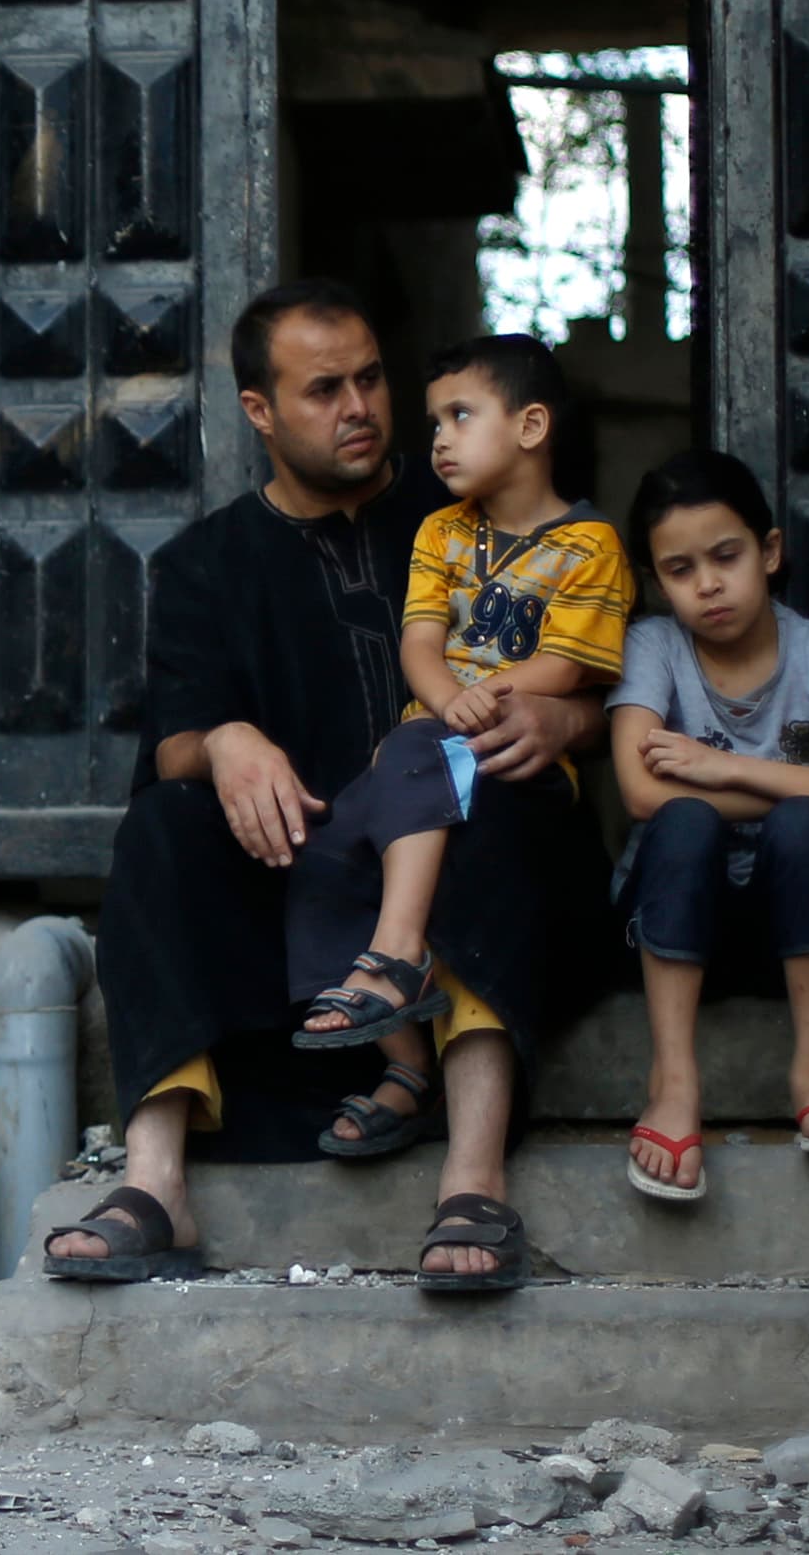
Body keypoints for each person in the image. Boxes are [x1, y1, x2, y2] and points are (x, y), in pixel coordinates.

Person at [42, 281, 612, 1293]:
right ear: (258, 410)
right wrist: (221, 742)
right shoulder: (204, 564)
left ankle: (471, 1176)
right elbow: (169, 746)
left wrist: (569, 717)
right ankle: (154, 1181)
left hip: (481, 878)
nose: (357, 407)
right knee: (159, 829)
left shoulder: (471, 510)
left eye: (367, 380)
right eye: (321, 391)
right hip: (302, 879)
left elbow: (608, 684)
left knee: (498, 797)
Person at [283, 335, 633, 1187]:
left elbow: (571, 664)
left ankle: (397, 957)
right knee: (322, 858)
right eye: (435, 418)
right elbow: (419, 641)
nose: (436, 437)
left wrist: (492, 694)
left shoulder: (589, 543)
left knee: (426, 794)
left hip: (520, 769)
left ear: (531, 425)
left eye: (460, 415)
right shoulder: (442, 531)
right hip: (428, 750)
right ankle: (405, 1064)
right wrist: (447, 702)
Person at [606, 450, 809, 1201]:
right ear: (657, 580)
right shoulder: (654, 646)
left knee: (801, 823)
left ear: (769, 552)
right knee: (688, 821)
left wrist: (725, 768)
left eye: (726, 556)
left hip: (784, 921)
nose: (706, 583)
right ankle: (673, 1081)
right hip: (674, 914)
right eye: (678, 569)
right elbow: (642, 792)